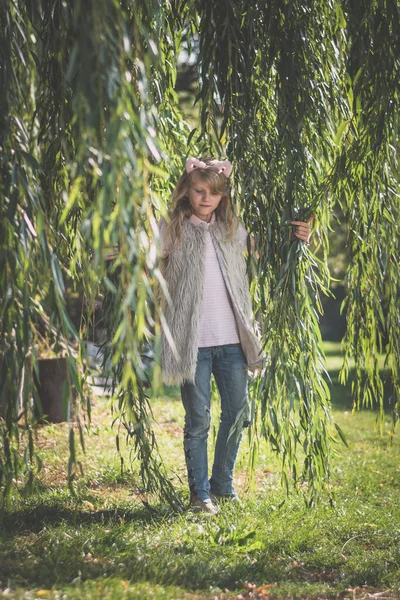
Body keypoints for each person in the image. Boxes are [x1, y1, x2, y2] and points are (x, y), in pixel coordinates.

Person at [158, 156, 312, 514]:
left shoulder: (233, 230)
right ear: (188, 191)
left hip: (231, 342)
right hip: (192, 342)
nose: (206, 198)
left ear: (223, 196)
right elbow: (140, 253)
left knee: (238, 412)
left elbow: (271, 249)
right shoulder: (173, 229)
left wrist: (299, 236)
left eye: (213, 192)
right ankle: (200, 495)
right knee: (198, 420)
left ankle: (222, 485)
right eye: (199, 190)